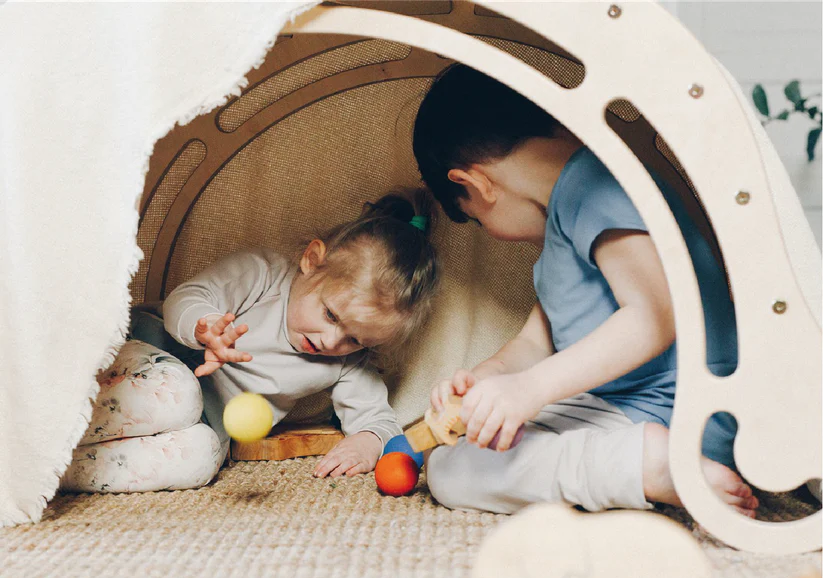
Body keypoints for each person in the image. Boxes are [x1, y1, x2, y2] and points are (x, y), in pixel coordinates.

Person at [412, 64, 758, 518]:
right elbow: (535, 343)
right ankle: (637, 463)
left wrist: (530, 390)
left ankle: (648, 467)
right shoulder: (565, 230)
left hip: (683, 412)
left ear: (473, 183)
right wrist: (488, 380)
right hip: (630, 409)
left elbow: (652, 317)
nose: (491, 232)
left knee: (455, 472)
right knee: (459, 456)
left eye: (477, 219)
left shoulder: (593, 184)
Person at [61, 190, 438, 493]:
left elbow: (379, 417)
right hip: (145, 356)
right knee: (180, 392)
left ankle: (60, 469)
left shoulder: (347, 361)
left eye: (355, 338)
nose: (331, 341)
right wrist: (205, 327)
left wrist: (369, 442)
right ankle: (53, 419)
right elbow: (186, 299)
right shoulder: (263, 276)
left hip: (200, 420)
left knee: (203, 457)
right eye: (330, 315)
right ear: (312, 260)